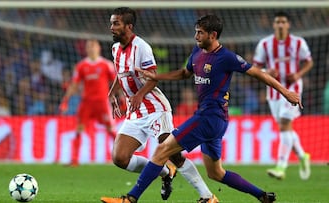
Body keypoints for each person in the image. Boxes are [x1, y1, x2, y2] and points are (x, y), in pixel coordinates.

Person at [102, 13, 303, 203]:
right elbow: (184, 73)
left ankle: (130, 198)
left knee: (162, 150)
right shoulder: (197, 51)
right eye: (196, 31)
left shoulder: (226, 57)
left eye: (200, 32)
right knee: (216, 173)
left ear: (212, 35)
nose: (196, 35)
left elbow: (259, 73)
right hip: (215, 120)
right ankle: (261, 196)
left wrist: (285, 92)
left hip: (209, 117)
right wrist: (157, 77)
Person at [101, 7, 217, 203]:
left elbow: (153, 78)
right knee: (120, 158)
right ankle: (165, 173)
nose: (111, 27)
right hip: (136, 112)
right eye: (111, 23)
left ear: (129, 26)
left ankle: (208, 196)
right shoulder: (115, 49)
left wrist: (138, 95)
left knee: (174, 154)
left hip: (156, 108)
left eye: (116, 23)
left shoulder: (142, 47)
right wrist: (114, 90)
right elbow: (121, 73)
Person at [253, 11, 312, 180]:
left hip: (293, 89)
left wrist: (298, 74)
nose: (280, 24)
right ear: (273, 24)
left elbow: (309, 61)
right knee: (285, 127)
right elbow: (255, 68)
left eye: (283, 22)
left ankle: (281, 166)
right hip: (273, 91)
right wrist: (267, 71)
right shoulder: (265, 44)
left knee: (285, 124)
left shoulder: (298, 42)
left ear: (288, 24)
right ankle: (302, 155)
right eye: (277, 21)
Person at [59, 39, 117, 166]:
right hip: (86, 103)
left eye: (93, 46)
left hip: (102, 103)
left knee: (111, 129)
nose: (91, 49)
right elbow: (74, 85)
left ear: (98, 48)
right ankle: (74, 160)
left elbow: (116, 83)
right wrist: (65, 101)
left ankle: (123, 155)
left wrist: (122, 99)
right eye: (88, 47)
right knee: (79, 129)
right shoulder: (81, 66)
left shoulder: (106, 65)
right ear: (85, 50)